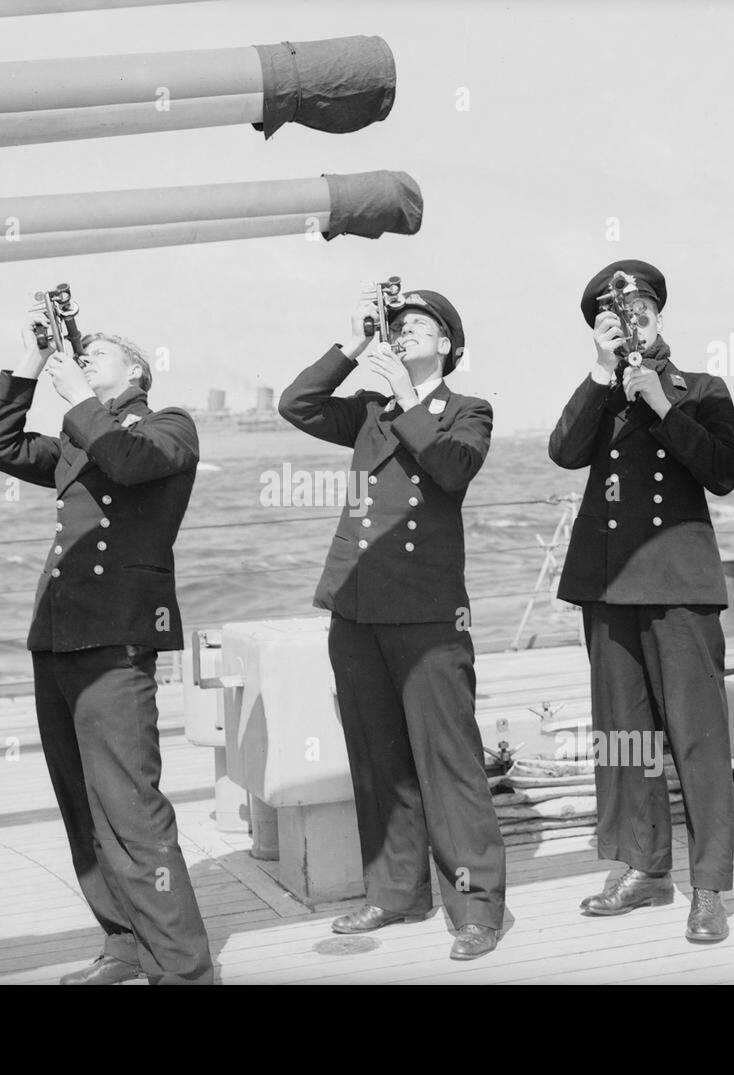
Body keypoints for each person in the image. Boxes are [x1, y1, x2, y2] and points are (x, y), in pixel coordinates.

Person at [0, 323, 213, 984]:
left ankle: (186, 970)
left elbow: (131, 460)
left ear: (137, 372)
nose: (84, 361)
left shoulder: (170, 425)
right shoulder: (79, 440)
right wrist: (35, 354)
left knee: (131, 812)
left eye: (98, 355)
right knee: (82, 808)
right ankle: (125, 941)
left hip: (116, 641)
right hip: (56, 639)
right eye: (81, 356)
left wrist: (79, 394)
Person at [278, 286, 506, 960]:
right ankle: (397, 891)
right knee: (377, 758)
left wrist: (407, 398)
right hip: (356, 606)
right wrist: (352, 344)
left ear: (448, 343)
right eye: (395, 325)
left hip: (427, 611)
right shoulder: (369, 410)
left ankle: (476, 909)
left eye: (417, 325)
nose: (402, 333)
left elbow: (452, 467)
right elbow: (298, 404)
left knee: (449, 761)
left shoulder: (467, 410)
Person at [548, 259, 734, 943]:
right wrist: (603, 376)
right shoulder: (599, 395)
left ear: (658, 315)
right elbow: (563, 451)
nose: (629, 325)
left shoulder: (702, 389)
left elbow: (723, 471)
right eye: (613, 317)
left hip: (681, 585)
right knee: (625, 737)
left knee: (698, 738)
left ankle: (711, 884)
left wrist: (662, 407)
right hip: (609, 586)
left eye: (638, 313)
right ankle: (644, 867)